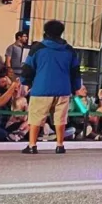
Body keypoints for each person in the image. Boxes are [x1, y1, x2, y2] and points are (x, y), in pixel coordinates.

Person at [20, 20, 81, 155]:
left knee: (36, 117)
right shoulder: (69, 49)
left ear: (45, 32)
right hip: (63, 88)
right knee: (60, 118)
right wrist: (76, 87)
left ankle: (32, 145)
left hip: (42, 88)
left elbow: (28, 67)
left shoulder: (38, 48)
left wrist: (25, 81)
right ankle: (60, 145)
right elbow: (75, 71)